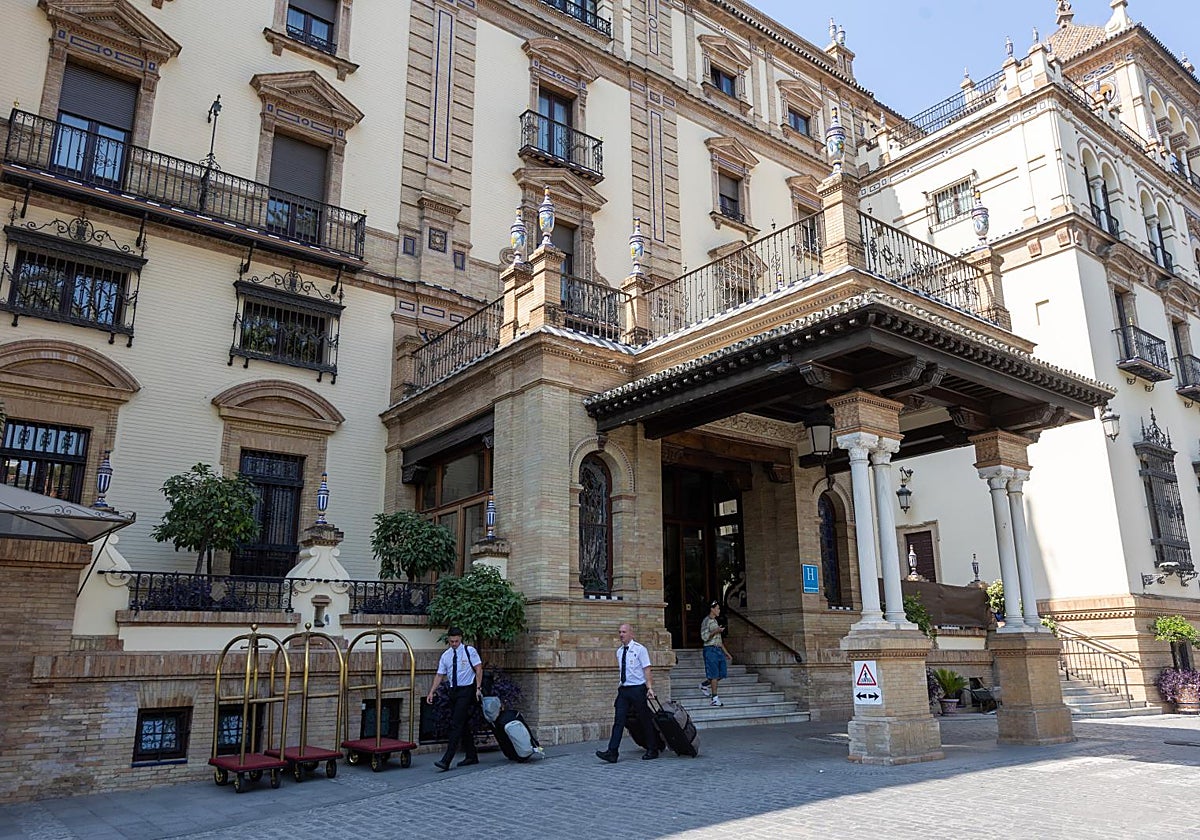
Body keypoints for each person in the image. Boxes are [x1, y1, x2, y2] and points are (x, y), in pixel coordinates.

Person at [595, 622, 658, 763]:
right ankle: (612, 752)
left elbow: (647, 669)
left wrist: (649, 688)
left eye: (624, 632)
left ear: (631, 634)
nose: (621, 635)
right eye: (619, 632)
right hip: (624, 690)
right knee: (619, 720)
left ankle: (652, 748)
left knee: (644, 719)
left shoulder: (640, 650)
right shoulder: (619, 651)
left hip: (637, 689)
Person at [427, 627, 483, 771]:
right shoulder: (446, 656)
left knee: (456, 724)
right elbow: (440, 675)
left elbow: (478, 669)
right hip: (454, 692)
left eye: (456, 641)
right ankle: (472, 756)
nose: (454, 644)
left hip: (467, 690)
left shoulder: (469, 651)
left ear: (461, 639)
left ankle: (446, 760)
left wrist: (478, 688)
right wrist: (431, 692)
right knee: (462, 724)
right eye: (451, 641)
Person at [699, 601, 731, 707]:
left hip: (718, 650)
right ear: (712, 609)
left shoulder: (715, 621)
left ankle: (704, 685)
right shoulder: (706, 621)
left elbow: (719, 640)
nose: (719, 610)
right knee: (714, 674)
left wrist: (726, 653)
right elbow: (704, 637)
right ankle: (714, 698)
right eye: (717, 608)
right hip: (710, 650)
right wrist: (715, 631)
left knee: (722, 673)